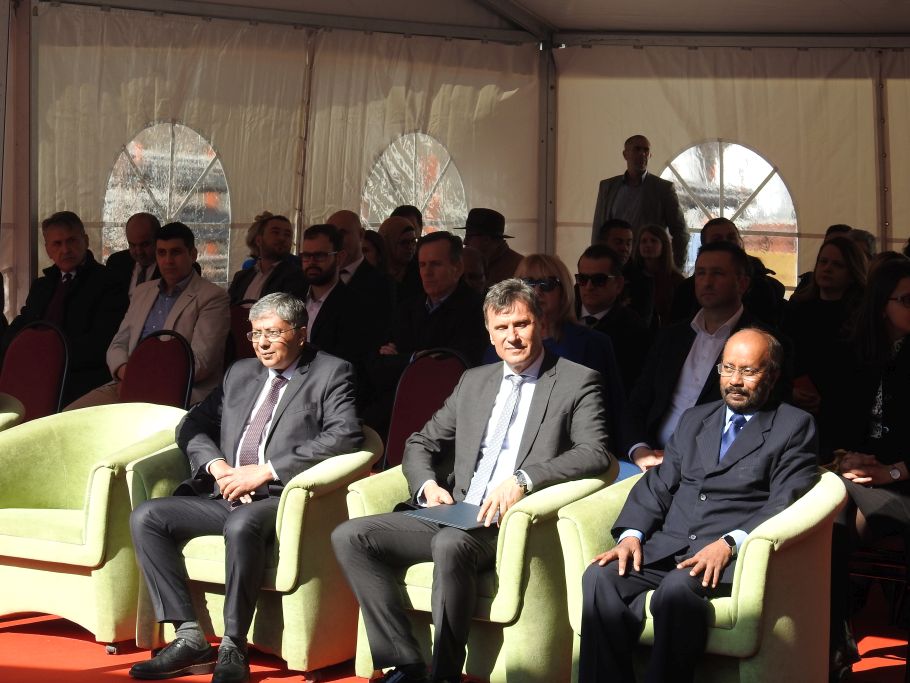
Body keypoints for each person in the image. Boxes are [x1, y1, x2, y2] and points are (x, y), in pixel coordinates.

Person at [332, 278, 611, 683]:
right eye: (502, 327)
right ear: (490, 334)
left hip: (508, 521)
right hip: (454, 509)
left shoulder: (577, 381)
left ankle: (444, 673)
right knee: (350, 536)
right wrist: (427, 487)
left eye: (521, 324)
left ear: (541, 323)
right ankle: (406, 663)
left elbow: (595, 452)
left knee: (449, 543)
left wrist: (524, 479)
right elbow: (421, 442)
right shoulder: (474, 381)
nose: (512, 337)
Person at [129, 292, 362, 683]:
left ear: (300, 333)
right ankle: (188, 637)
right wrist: (218, 467)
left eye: (273, 333)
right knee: (147, 516)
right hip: (226, 492)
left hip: (280, 499)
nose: (262, 344)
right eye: (255, 334)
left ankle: (233, 644)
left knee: (241, 525)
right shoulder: (240, 373)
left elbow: (345, 435)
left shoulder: (331, 372)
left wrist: (266, 471)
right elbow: (192, 424)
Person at [579, 328, 818, 683]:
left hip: (724, 556)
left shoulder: (794, 426)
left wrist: (730, 543)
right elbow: (659, 484)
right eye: (728, 368)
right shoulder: (695, 418)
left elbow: (786, 501)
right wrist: (631, 535)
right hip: (667, 547)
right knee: (600, 577)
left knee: (675, 592)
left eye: (748, 371)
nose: (735, 381)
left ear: (772, 375)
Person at [824, 259, 910, 681]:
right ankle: (834, 635)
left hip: (904, 482)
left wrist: (893, 472)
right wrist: (845, 457)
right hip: (860, 477)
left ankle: (835, 640)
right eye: (907, 300)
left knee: (838, 515)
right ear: (882, 305)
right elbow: (832, 423)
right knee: (831, 510)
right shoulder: (855, 353)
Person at [625, 241, 768, 474]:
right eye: (700, 273)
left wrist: (681, 461)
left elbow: (758, 423)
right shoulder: (671, 337)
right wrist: (640, 450)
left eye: (718, 273)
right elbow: (637, 402)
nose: (707, 282)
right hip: (650, 458)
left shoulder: (763, 344)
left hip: (712, 469)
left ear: (742, 283)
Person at [66, 222, 230, 409]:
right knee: (66, 417)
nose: (168, 261)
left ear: (192, 255)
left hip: (179, 391)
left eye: (176, 252)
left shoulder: (212, 297)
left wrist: (140, 379)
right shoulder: (142, 291)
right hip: (127, 383)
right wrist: (127, 374)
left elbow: (201, 363)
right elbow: (117, 345)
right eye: (161, 253)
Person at [364, 231, 488, 434]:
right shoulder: (407, 308)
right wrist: (415, 357)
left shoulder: (477, 311)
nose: (427, 272)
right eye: (422, 265)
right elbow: (376, 366)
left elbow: (451, 369)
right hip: (395, 413)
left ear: (457, 268)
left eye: (435, 264)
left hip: (446, 420)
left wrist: (400, 358)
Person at [1, 211, 128, 404]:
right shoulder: (42, 286)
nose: (65, 249)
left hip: (79, 380)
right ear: (48, 250)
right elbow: (24, 323)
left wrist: (49, 357)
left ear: (85, 241)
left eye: (71, 241)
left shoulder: (109, 282)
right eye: (57, 244)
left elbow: (102, 342)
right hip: (31, 374)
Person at [510, 253, 626, 451]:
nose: (536, 291)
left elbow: (615, 410)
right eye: (527, 283)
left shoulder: (594, 343)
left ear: (563, 291)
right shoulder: (502, 344)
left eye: (547, 284)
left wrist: (635, 450)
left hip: (571, 450)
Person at [782, 236, 866, 423]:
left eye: (838, 265)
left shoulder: (860, 316)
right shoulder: (797, 309)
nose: (827, 268)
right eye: (823, 262)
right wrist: (790, 391)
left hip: (844, 411)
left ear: (852, 272)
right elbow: (784, 356)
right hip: (796, 407)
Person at [591, 134, 688, 269]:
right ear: (625, 154)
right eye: (637, 149)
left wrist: (676, 268)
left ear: (650, 155)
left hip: (649, 267)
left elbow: (680, 231)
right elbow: (599, 229)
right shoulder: (607, 187)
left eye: (646, 150)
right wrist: (596, 264)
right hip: (614, 264)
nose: (642, 154)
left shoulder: (663, 189)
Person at [667, 217, 785, 326]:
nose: (726, 243)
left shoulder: (762, 287)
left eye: (731, 238)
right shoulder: (687, 290)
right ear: (705, 246)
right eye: (717, 239)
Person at [575, 244, 649, 397]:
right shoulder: (561, 316)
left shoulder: (634, 329)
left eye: (599, 280)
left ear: (619, 284)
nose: (589, 287)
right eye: (582, 279)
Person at [300, 223, 368, 363]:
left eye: (319, 256)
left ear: (339, 258)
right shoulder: (292, 298)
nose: (311, 262)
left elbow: (347, 361)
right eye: (306, 256)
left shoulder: (355, 306)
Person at [327, 209, 396, 339]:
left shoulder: (382, 283)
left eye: (342, 233)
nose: (337, 241)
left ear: (361, 235)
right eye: (332, 235)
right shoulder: (319, 277)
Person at [227, 212, 306, 305]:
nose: (282, 238)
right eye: (275, 232)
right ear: (258, 240)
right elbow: (227, 309)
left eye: (287, 234)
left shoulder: (297, 276)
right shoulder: (241, 277)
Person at [625, 223, 685, 327]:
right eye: (643, 241)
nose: (648, 245)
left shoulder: (676, 280)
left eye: (654, 241)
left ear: (664, 246)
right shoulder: (630, 277)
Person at [462, 208, 523, 285]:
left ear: (486, 240)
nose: (464, 242)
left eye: (469, 237)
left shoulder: (521, 268)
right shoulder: (468, 261)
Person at [105, 212, 162, 296]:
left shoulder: (168, 267)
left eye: (144, 245)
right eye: (132, 245)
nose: (139, 252)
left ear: (158, 239)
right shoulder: (116, 262)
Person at [378, 216, 422, 301]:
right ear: (387, 243)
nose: (410, 247)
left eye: (413, 241)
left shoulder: (419, 272)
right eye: (404, 242)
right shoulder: (374, 273)